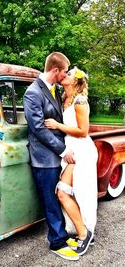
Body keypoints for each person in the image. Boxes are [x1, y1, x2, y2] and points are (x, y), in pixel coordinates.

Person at [23, 52, 80, 261]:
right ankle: (57, 242)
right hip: (44, 158)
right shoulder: (33, 93)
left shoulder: (53, 90)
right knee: (51, 201)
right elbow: (37, 128)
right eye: (64, 71)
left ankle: (63, 235)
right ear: (55, 70)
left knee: (60, 196)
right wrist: (64, 150)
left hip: (56, 155)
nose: (65, 74)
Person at [44, 67, 98, 256]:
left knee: (72, 193)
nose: (63, 75)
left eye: (68, 74)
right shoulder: (64, 98)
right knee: (68, 193)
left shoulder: (80, 100)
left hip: (81, 150)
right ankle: (84, 231)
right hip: (70, 150)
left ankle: (85, 234)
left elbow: (83, 131)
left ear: (75, 81)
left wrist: (57, 125)